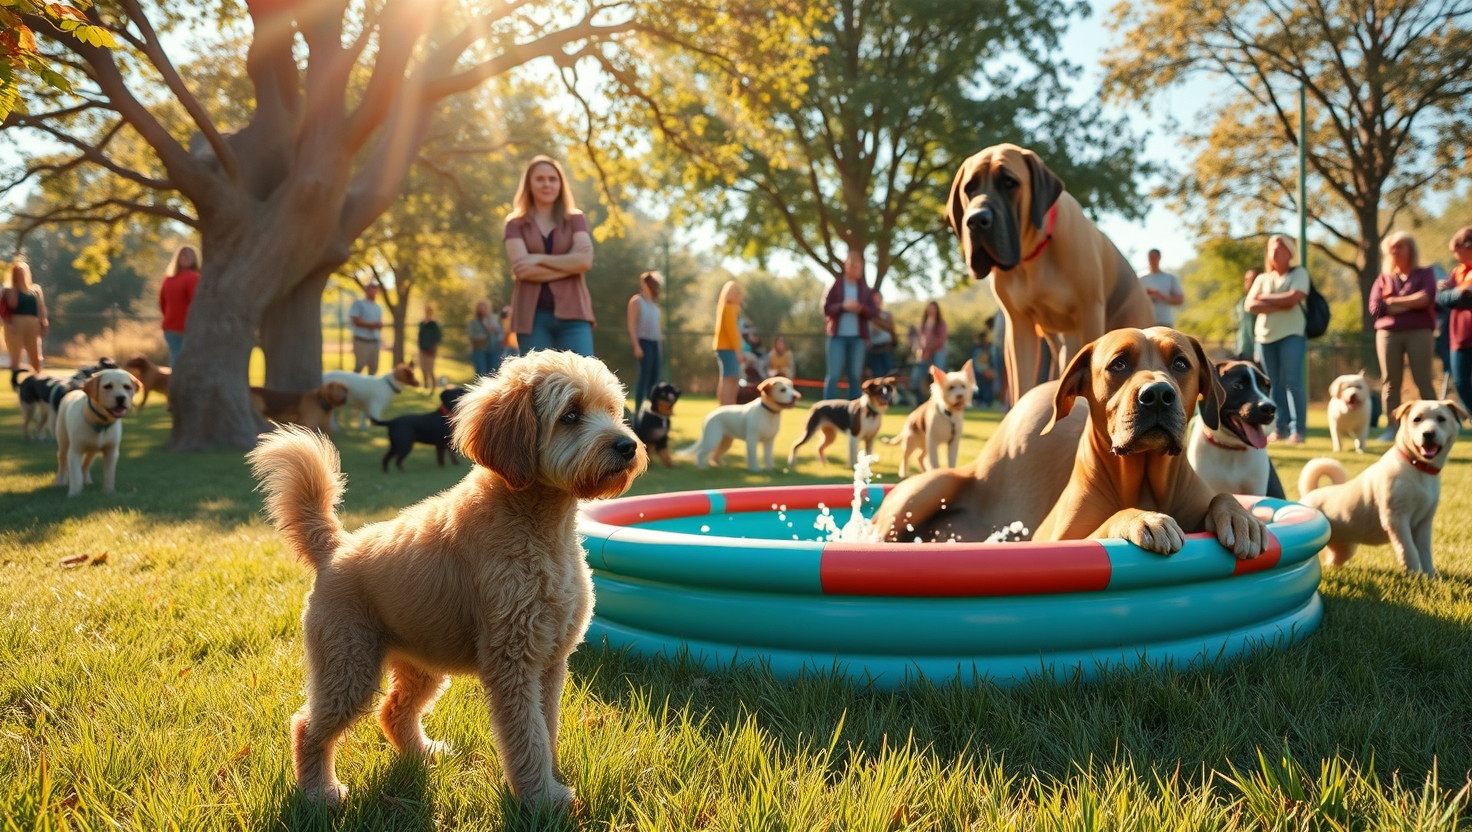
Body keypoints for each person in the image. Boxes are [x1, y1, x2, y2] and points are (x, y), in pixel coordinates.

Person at [503, 155, 595, 356]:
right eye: (540, 179)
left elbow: (585, 261)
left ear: (561, 184)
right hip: (531, 317)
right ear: (529, 183)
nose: (547, 184)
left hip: (575, 314)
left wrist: (538, 259)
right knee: (538, 384)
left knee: (582, 383)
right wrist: (570, 265)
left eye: (552, 179)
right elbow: (522, 270)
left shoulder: (576, 219)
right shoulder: (514, 224)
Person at [1369, 231, 1438, 442]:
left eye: (1400, 246)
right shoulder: (1383, 278)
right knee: (1390, 382)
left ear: (1411, 250)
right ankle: (1393, 427)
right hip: (1388, 334)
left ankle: (1436, 426)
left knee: (1423, 380)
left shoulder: (1424, 274)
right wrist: (1409, 303)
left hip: (1420, 332)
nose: (1395, 251)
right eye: (1392, 248)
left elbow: (1426, 299)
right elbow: (1376, 308)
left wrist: (1393, 303)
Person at [1245, 235, 1310, 444]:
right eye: (1272, 247)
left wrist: (1264, 299)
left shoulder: (1299, 273)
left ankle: (1297, 430)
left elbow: (1294, 298)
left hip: (1292, 334)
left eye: (1281, 247)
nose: (1275, 251)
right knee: (1273, 384)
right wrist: (1281, 303)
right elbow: (1250, 305)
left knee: (1293, 382)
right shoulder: (1262, 279)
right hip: (1264, 337)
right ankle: (1279, 428)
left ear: (1290, 252)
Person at [822, 249, 877, 400]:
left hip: (857, 338)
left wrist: (860, 308)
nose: (856, 269)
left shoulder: (865, 290)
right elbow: (826, 309)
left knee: (855, 376)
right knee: (833, 375)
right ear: (847, 266)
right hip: (837, 337)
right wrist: (842, 306)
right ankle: (828, 409)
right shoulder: (836, 285)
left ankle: (854, 412)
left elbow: (873, 312)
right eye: (853, 265)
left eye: (859, 266)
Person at [1437, 227, 1472, 411]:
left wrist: (1454, 294)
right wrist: (1457, 293)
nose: (1455, 254)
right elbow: (1441, 298)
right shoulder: (1457, 271)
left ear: (1467, 246)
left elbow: (1461, 298)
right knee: (1460, 383)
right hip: (1459, 337)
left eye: (1457, 249)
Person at [3, 261, 47, 387]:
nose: (20, 275)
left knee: (35, 352)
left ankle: (37, 377)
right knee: (15, 353)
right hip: (16, 323)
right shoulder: (9, 290)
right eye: (17, 273)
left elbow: (41, 308)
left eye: (22, 272)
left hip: (32, 322)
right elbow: (11, 305)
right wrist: (16, 287)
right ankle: (15, 380)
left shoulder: (35, 289)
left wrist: (43, 321)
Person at [626, 270, 664, 413]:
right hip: (644, 343)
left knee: (655, 379)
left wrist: (660, 347)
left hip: (655, 344)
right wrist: (637, 346)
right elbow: (631, 324)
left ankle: (652, 411)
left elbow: (658, 329)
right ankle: (638, 412)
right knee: (644, 378)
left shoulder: (655, 306)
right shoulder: (636, 301)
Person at [158, 245, 201, 367]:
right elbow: (197, 303)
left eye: (189, 254)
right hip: (185, 328)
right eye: (183, 254)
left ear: (195, 258)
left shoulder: (168, 279)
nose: (186, 256)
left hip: (170, 328)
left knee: (176, 361)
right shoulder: (193, 277)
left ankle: (176, 384)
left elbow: (162, 304)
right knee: (186, 365)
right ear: (177, 258)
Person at [909, 301, 949, 402]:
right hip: (924, 354)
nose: (931, 310)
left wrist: (929, 350)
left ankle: (940, 399)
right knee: (917, 376)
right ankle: (920, 401)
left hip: (937, 352)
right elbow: (919, 339)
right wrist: (920, 350)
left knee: (938, 376)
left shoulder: (940, 324)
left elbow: (940, 340)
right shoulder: (923, 324)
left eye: (933, 308)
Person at [712, 280, 743, 406]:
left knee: (726, 378)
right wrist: (738, 351)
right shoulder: (729, 309)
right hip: (728, 349)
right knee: (730, 379)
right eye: (739, 294)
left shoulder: (726, 308)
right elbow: (732, 333)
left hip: (724, 348)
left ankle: (726, 405)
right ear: (734, 294)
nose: (741, 297)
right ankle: (726, 406)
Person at [1139, 248, 1184, 327]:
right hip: (1144, 322)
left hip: (1165, 322)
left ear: (1159, 258)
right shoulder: (1140, 278)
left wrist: (1161, 296)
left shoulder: (1170, 278)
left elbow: (1180, 300)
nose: (1152, 260)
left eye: (1154, 257)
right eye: (1150, 257)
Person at [349, 282, 385, 374]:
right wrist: (372, 325)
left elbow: (378, 324)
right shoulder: (359, 304)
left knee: (373, 369)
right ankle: (354, 387)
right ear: (366, 290)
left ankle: (370, 388)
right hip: (362, 341)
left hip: (374, 341)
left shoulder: (378, 307)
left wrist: (379, 326)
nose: (373, 290)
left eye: (375, 288)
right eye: (371, 288)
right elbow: (356, 321)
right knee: (359, 367)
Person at [866, 291, 897, 381]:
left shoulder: (887, 314)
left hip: (887, 350)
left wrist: (877, 320)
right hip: (874, 351)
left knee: (889, 377)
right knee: (878, 378)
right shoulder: (867, 317)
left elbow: (891, 327)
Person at [467, 299, 502, 377]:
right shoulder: (473, 322)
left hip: (493, 349)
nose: (482, 310)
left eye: (484, 307)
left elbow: (499, 332)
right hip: (479, 349)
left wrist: (493, 330)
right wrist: (482, 336)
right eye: (480, 308)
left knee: (492, 373)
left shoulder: (493, 319)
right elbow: (471, 336)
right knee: (481, 374)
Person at [1233, 268, 1260, 361]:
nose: (1250, 283)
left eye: (1253, 279)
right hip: (1242, 351)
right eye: (1247, 280)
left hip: (1260, 351)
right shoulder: (1240, 303)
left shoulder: (1264, 303)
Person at [417, 304, 443, 391]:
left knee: (430, 369)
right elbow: (420, 336)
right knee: (423, 368)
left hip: (431, 350)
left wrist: (433, 349)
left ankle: (433, 387)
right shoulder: (422, 323)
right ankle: (425, 385)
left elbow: (437, 338)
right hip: (422, 349)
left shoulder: (434, 324)